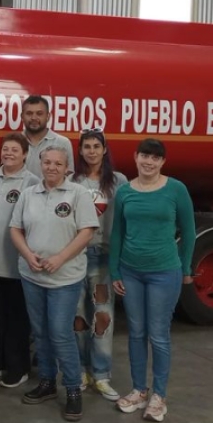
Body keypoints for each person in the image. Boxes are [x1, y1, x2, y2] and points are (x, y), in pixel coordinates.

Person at [9, 145, 99, 422]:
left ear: (67, 168)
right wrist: (28, 255)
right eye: (47, 163)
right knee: (40, 332)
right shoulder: (28, 194)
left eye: (57, 164)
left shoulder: (79, 194)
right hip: (32, 276)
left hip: (65, 278)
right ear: (41, 165)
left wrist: (60, 257)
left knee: (60, 333)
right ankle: (47, 382)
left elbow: (87, 232)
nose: (51, 168)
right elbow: (15, 229)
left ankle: (72, 389)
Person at [110, 138, 195, 423]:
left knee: (158, 334)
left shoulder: (176, 189)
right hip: (131, 271)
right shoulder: (124, 192)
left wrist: (185, 268)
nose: (149, 162)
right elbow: (117, 234)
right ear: (135, 157)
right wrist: (115, 272)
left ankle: (159, 395)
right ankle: (138, 390)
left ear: (162, 162)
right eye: (144, 156)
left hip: (164, 272)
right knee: (136, 332)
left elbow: (189, 231)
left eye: (155, 158)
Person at [0, 133, 40, 388]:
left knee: (17, 318)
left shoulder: (32, 182)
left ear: (25, 154)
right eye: (5, 149)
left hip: (15, 264)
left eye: (14, 149)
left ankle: (18, 365)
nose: (8, 153)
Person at [71, 128, 128, 401]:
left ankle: (102, 375)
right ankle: (81, 371)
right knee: (79, 317)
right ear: (80, 151)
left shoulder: (118, 181)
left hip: (104, 259)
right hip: (76, 258)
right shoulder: (73, 181)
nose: (91, 151)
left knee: (103, 317)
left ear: (105, 149)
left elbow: (126, 220)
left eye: (96, 146)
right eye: (86, 147)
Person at [20, 95, 74, 179]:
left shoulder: (62, 142)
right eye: (29, 113)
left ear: (48, 116)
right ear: (22, 117)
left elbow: (69, 177)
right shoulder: (15, 142)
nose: (34, 117)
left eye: (39, 113)